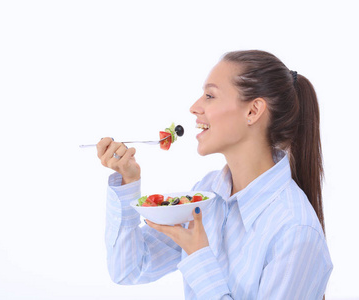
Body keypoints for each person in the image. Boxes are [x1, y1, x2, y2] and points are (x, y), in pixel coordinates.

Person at [96, 50, 333, 299]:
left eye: (210, 95)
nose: (194, 107)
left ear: (253, 111)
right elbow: (130, 268)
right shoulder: (207, 195)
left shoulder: (295, 231)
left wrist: (199, 258)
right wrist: (128, 180)